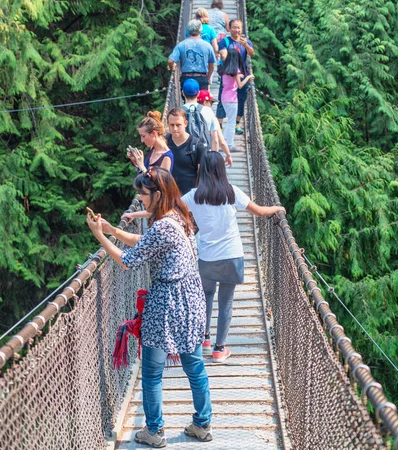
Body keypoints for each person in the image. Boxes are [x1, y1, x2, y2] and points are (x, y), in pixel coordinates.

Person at [87, 168, 212, 446]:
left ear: (157, 194)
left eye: (143, 194)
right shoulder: (180, 217)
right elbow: (147, 244)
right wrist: (114, 230)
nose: (140, 199)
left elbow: (128, 260)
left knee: (152, 371)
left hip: (167, 300)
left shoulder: (163, 225)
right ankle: (202, 424)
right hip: (191, 296)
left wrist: (100, 236)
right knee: (194, 365)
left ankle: (154, 431)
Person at [181, 152, 285, 362]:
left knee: (206, 296)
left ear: (201, 171)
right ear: (222, 169)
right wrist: (278, 208)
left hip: (207, 257)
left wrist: (143, 213)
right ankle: (220, 349)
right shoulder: (232, 192)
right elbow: (260, 211)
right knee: (226, 302)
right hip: (231, 255)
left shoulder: (193, 195)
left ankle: (204, 337)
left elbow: (170, 210)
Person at [216, 19, 255, 134]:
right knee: (221, 99)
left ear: (241, 28)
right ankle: (220, 125)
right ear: (230, 28)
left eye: (238, 27)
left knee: (241, 99)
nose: (236, 30)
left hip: (242, 73)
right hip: (228, 74)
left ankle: (237, 124)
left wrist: (246, 45)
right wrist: (232, 68)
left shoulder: (245, 41)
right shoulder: (225, 42)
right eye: (234, 27)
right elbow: (223, 55)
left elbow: (252, 54)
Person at [220, 47, 253, 152]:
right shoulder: (236, 71)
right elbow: (240, 85)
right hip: (232, 99)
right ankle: (229, 145)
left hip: (224, 97)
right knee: (231, 122)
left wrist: (239, 76)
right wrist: (248, 77)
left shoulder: (224, 70)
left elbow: (225, 83)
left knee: (229, 121)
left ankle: (223, 142)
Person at [168, 19, 216, 92]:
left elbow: (170, 61)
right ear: (200, 30)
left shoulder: (181, 45)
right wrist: (208, 78)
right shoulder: (208, 46)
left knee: (187, 101)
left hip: (186, 78)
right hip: (202, 78)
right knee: (201, 102)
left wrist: (172, 67)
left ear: (188, 30)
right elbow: (211, 65)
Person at [197, 89, 232, 167]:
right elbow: (218, 140)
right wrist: (228, 154)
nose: (211, 105)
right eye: (211, 103)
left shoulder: (187, 113)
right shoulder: (210, 115)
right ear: (205, 102)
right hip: (205, 153)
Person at [182, 78, 219, 151]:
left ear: (183, 93)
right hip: (204, 153)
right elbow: (215, 140)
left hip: (184, 154)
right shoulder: (208, 111)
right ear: (198, 93)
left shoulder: (177, 112)